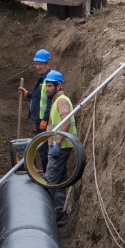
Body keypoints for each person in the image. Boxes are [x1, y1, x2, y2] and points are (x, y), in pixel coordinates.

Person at [42, 69, 78, 221]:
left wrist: (57, 144)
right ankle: (58, 211)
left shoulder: (61, 100)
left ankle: (45, 214)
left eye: (50, 86)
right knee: (61, 179)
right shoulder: (56, 100)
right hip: (60, 145)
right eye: (47, 86)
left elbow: (66, 121)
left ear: (59, 86)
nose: (47, 89)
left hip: (60, 146)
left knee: (50, 180)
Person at [19, 48, 54, 133]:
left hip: (44, 121)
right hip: (39, 120)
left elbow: (50, 101)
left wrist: (45, 119)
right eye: (36, 64)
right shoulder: (42, 78)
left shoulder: (50, 79)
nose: (38, 67)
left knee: (43, 145)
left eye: (40, 64)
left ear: (47, 64)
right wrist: (28, 94)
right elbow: (41, 96)